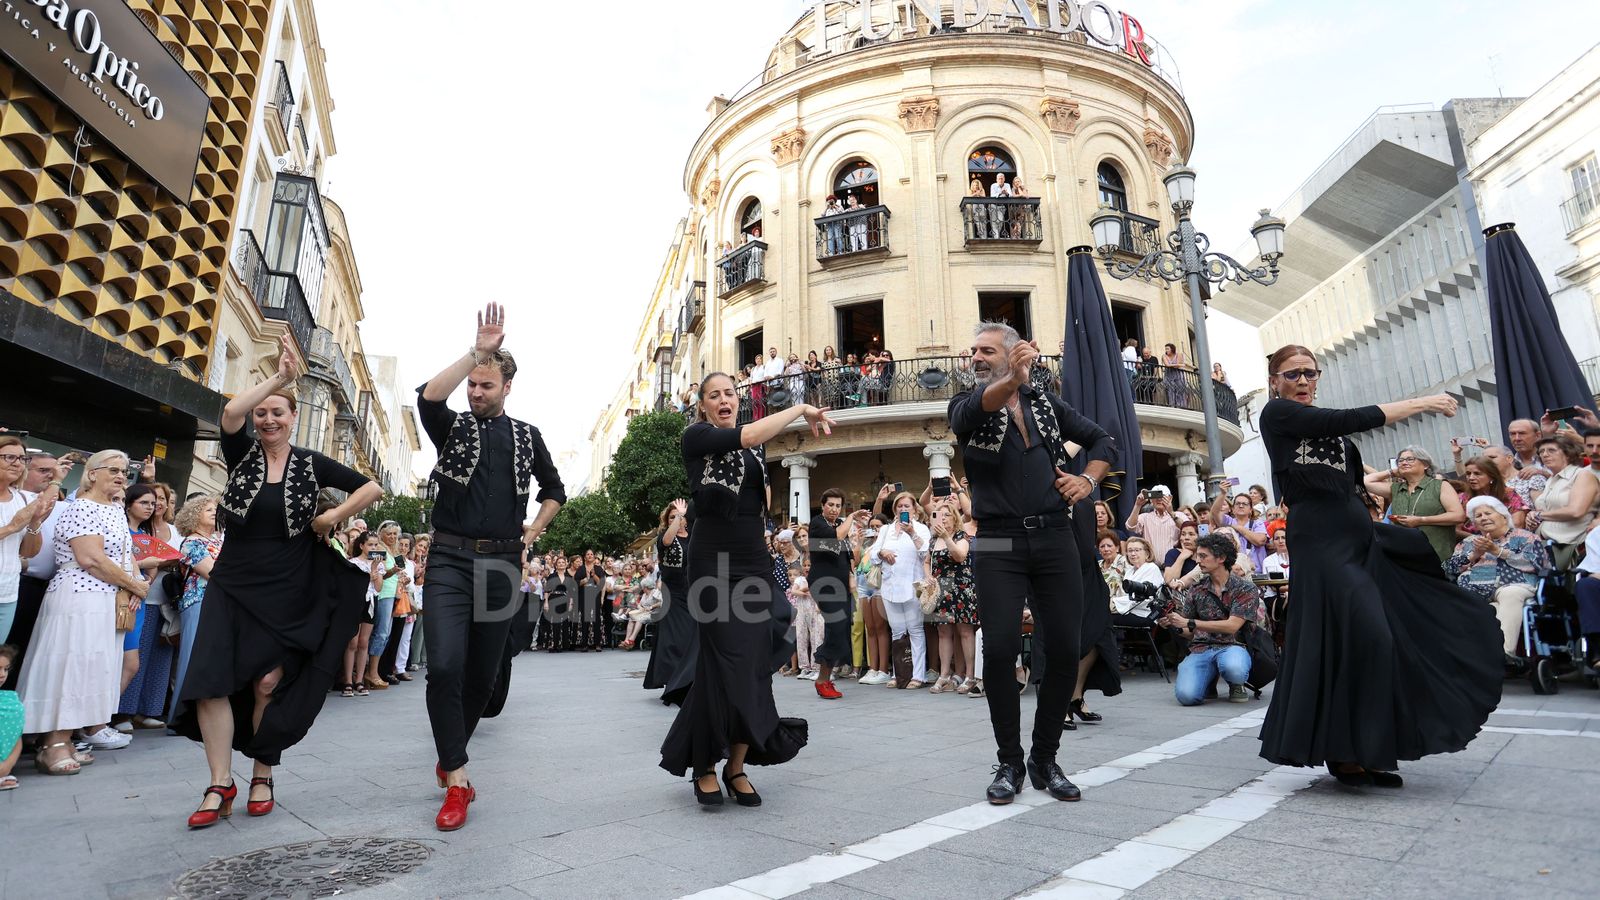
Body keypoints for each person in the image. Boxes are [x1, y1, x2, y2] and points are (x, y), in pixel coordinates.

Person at [1255, 344, 1501, 787]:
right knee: (1364, 633)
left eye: (1311, 373)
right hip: (1320, 544)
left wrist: (1406, 491)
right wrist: (1424, 402)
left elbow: (1355, 483)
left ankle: (1362, 750)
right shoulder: (1278, 417)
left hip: (1360, 541)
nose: (1304, 381)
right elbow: (1347, 418)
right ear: (1275, 381)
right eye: (1293, 374)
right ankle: (1345, 752)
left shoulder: (1337, 441)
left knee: (1375, 639)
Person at [173, 337, 380, 827]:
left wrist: (332, 517)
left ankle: (262, 772)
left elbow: (370, 487)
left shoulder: (310, 463)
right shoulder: (241, 452)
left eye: (278, 413)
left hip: (290, 583)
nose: (267, 419)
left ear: (293, 418)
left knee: (268, 683)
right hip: (233, 580)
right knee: (211, 682)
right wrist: (280, 379)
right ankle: (218, 783)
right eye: (262, 412)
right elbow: (229, 414)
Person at [948, 321, 1114, 805]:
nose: (975, 357)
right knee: (999, 651)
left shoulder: (1046, 402)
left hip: (1055, 535)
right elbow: (972, 414)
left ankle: (1045, 758)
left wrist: (1086, 481)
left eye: (986, 350)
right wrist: (1014, 379)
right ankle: (1009, 761)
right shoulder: (964, 401)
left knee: (1064, 648)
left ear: (1012, 352)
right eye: (972, 350)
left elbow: (1104, 440)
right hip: (996, 541)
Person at [417, 303, 566, 831]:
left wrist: (534, 531)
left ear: (506, 387)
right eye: (473, 384)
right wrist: (475, 352)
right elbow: (428, 396)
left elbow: (555, 491)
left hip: (503, 563)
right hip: (450, 559)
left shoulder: (527, 435)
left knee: (483, 676)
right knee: (446, 665)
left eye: (486, 384)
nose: (475, 392)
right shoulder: (451, 425)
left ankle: (450, 749)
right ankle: (457, 779)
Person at [659, 372, 835, 807]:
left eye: (730, 395)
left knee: (755, 659)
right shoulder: (696, 437)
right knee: (724, 661)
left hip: (752, 559)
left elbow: (760, 505)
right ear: (702, 405)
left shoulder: (756, 449)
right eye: (715, 395)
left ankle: (735, 767)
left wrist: (780, 551)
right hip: (713, 562)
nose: (724, 401)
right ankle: (703, 763)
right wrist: (800, 409)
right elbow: (751, 432)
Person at [17, 449, 151, 775]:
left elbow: (123, 554)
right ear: (92, 473)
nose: (121, 476)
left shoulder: (116, 509)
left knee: (92, 668)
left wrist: (134, 583)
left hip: (104, 600)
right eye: (113, 470)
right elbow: (90, 558)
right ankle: (52, 743)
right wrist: (133, 584)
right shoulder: (81, 508)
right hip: (77, 598)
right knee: (70, 665)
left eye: (125, 471)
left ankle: (68, 737)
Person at [1160, 534, 1266, 705]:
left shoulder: (1245, 588)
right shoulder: (1196, 589)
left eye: (1203, 556)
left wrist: (1190, 623)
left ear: (1221, 558)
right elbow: (1189, 631)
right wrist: (1175, 625)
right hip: (1202, 647)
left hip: (1234, 645)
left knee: (1234, 669)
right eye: (1198, 556)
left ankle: (1235, 683)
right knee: (1187, 697)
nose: (1198, 561)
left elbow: (1232, 626)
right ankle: (1208, 680)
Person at [1444, 496, 1550, 663]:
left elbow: (1537, 564)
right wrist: (1474, 555)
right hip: (1477, 589)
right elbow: (1448, 569)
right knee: (1481, 604)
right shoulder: (1469, 542)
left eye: (1488, 513)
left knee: (1509, 594)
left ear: (1503, 515)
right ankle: (1465, 656)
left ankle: (1503, 654)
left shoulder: (1524, 536)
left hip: (1515, 584)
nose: (1484, 518)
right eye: (1478, 516)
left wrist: (1498, 551)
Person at [167, 496, 221, 725]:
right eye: (208, 509)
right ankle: (179, 718)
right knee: (190, 659)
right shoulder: (191, 543)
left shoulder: (218, 542)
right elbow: (213, 572)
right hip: (197, 602)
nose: (214, 512)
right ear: (193, 514)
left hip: (218, 604)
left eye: (215, 509)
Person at [870, 492, 933, 689]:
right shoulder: (886, 530)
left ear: (915, 509)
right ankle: (900, 674)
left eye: (907, 506)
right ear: (894, 509)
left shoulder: (922, 529)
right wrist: (882, 552)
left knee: (915, 630)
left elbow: (925, 554)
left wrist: (912, 532)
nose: (903, 509)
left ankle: (918, 675)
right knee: (897, 631)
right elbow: (872, 555)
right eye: (899, 506)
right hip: (889, 585)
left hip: (912, 585)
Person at [1363, 446, 1465, 564]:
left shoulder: (1440, 485)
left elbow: (1458, 516)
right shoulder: (1395, 488)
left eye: (1410, 459)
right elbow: (1366, 482)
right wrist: (1391, 472)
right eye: (1400, 461)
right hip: (1403, 556)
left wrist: (1421, 520)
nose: (1404, 462)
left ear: (1426, 465)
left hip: (1436, 555)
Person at [807, 488, 862, 700]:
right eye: (831, 504)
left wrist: (851, 574)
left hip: (841, 584)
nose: (834, 509)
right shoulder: (818, 524)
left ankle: (825, 678)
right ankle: (821, 680)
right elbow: (835, 538)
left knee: (839, 631)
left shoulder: (840, 526)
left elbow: (850, 559)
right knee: (836, 628)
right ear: (823, 505)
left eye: (838, 505)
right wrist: (849, 517)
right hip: (824, 584)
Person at [644, 500, 696, 706]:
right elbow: (667, 540)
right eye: (672, 517)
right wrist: (679, 517)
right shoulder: (664, 538)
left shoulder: (694, 535)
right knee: (675, 640)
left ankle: (688, 683)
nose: (678, 519)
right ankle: (673, 686)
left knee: (692, 639)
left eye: (680, 516)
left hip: (694, 591)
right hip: (673, 593)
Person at [0, 435, 51, 645]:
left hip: (8, 594)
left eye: (22, 459)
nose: (17, 463)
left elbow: (29, 552)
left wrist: (34, 523)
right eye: (9, 457)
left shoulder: (21, 498)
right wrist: (13, 526)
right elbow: (13, 527)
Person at [1528, 434, 1599, 569]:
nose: (1545, 454)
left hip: (1569, 548)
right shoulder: (1550, 480)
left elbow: (1576, 511)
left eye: (1551, 450)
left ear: (1568, 454)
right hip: (1544, 545)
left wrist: (1539, 515)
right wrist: (1532, 518)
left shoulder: (1582, 474)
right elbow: (1547, 511)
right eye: (1541, 451)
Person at [928, 499, 977, 694]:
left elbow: (960, 556)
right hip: (940, 589)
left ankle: (970, 675)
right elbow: (926, 561)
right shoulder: (933, 539)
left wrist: (947, 537)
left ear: (954, 517)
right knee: (943, 633)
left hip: (961, 588)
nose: (943, 518)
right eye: (939, 514)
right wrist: (928, 576)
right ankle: (944, 674)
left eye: (947, 514)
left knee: (965, 631)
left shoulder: (961, 535)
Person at [1456, 457, 1527, 535]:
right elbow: (1457, 529)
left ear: (1491, 476)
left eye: (1477, 473)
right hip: (1474, 541)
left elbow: (1517, 524)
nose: (1471, 478)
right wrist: (1478, 540)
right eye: (1468, 474)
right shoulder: (1463, 498)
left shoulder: (1508, 494)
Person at [1208, 490, 1270, 573]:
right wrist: (1223, 493)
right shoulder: (1228, 520)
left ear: (1251, 509)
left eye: (1244, 504)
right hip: (1233, 571)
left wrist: (1239, 528)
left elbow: (1260, 540)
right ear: (1233, 509)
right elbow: (1214, 512)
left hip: (1256, 571)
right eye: (1237, 503)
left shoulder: (1257, 523)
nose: (1241, 506)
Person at [1125, 485, 1178, 559]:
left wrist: (1172, 513)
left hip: (1173, 564)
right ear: (1151, 500)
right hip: (1150, 564)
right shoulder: (1145, 517)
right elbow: (1130, 526)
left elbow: (1187, 528)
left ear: (1170, 498)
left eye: (1163, 496)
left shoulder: (1179, 515)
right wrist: (1138, 505)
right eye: (1156, 496)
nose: (1159, 499)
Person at [0, 643, 19, 791]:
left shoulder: (9, 700)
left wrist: (5, 766)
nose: (2, 674)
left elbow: (15, 737)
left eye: (5, 669)